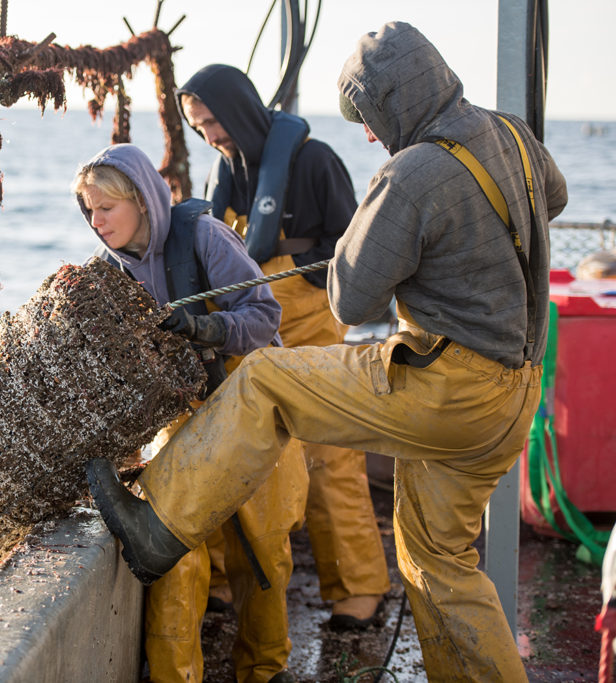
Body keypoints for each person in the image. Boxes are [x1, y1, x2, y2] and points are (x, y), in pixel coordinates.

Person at [86, 21, 568, 682]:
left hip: (449, 386)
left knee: (264, 381)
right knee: (439, 560)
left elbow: (350, 300)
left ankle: (156, 524)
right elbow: (556, 196)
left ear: (395, 99)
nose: (369, 133)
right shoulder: (512, 132)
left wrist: (385, 226)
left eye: (369, 116)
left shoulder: (411, 173)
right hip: (516, 389)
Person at [74, 143, 307, 683]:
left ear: (142, 199)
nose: (97, 220)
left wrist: (208, 327)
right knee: (176, 554)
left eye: (106, 206)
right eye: (89, 210)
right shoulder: (109, 275)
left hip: (250, 397)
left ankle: (265, 670)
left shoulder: (202, 236)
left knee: (265, 552)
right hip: (181, 415)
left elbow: (264, 314)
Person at [176, 63, 391, 630]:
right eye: (198, 129)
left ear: (239, 110)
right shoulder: (225, 169)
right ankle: (221, 580)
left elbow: (351, 247)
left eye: (212, 123)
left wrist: (285, 269)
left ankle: (360, 587)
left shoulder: (315, 161)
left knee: (328, 457)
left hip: (310, 329)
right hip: (244, 331)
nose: (209, 137)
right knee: (229, 453)